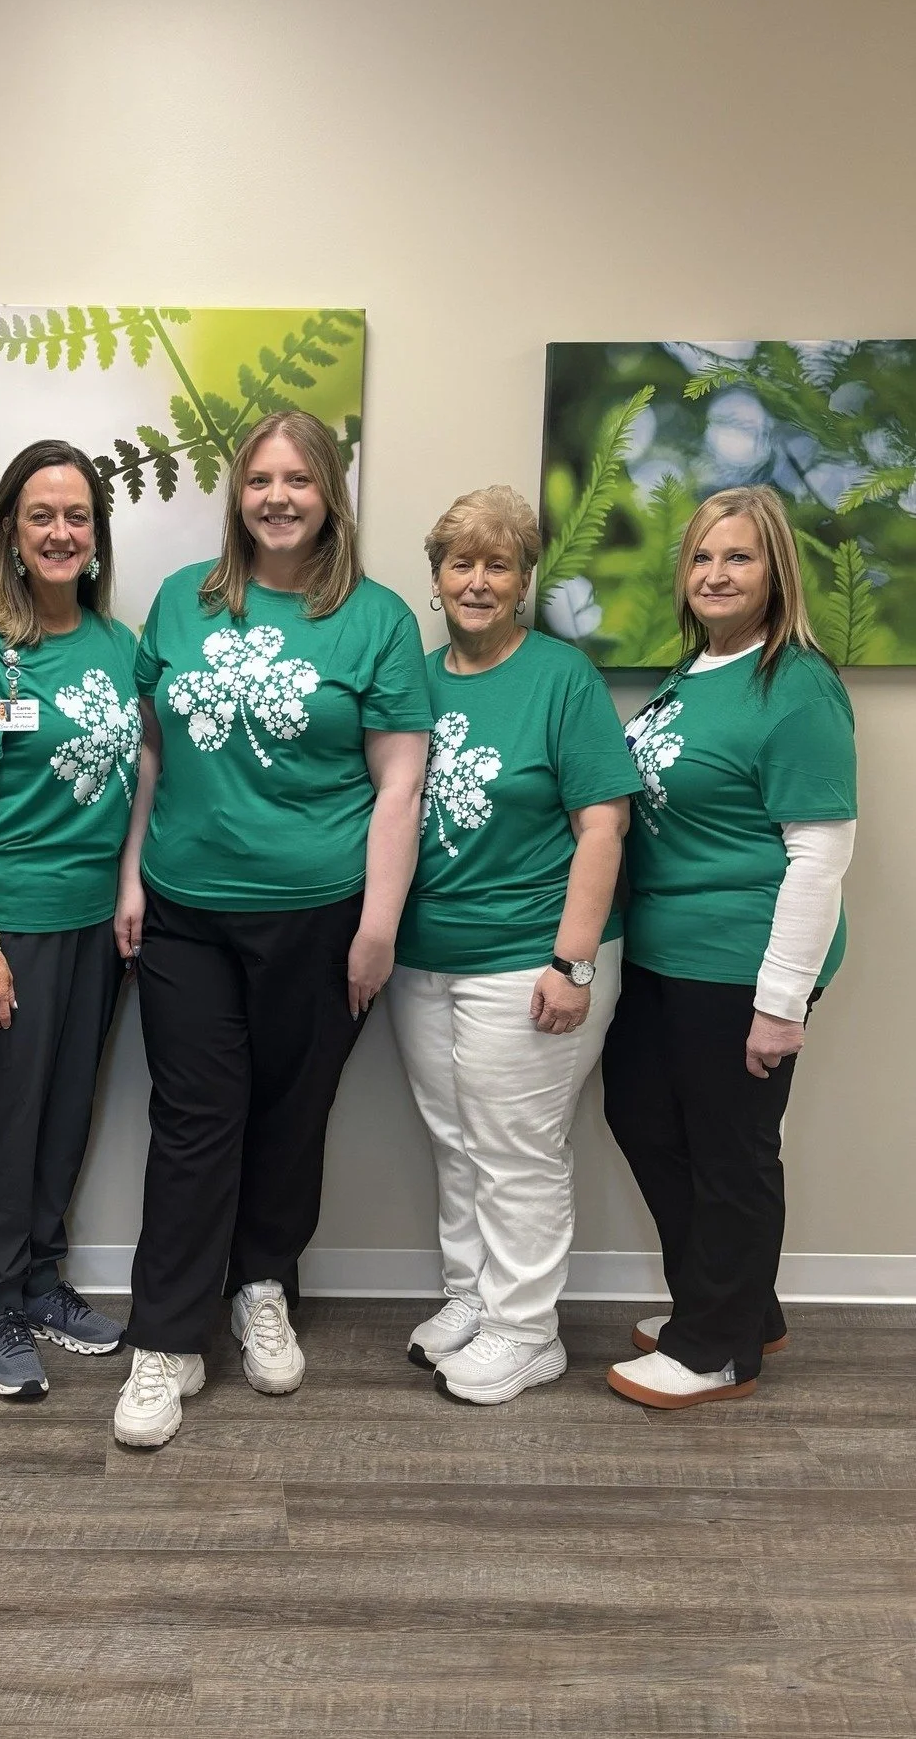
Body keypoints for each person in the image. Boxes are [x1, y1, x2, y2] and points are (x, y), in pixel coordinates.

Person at [112, 410, 432, 1448]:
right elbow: (152, 753)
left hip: (321, 915)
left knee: (292, 1114)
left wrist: (377, 925)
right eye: (259, 480)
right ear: (236, 494)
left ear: (329, 493)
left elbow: (399, 784)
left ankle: (260, 1284)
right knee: (192, 1119)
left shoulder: (376, 619)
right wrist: (130, 876)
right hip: (186, 911)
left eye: (298, 479)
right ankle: (166, 1337)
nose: (277, 497)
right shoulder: (182, 600)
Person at [603, 485, 857, 1409]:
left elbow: (819, 856)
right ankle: (739, 1306)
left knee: (729, 1153)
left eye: (738, 557)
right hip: (666, 954)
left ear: (774, 571)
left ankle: (715, 1347)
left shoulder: (796, 685)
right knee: (642, 1117)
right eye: (702, 557)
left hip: (742, 962)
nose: (715, 574)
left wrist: (780, 1002)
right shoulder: (697, 669)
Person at [386, 486, 640, 1404]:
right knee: (456, 1139)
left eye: (498, 565)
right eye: (461, 563)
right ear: (436, 577)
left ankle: (527, 1331)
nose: (478, 582)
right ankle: (473, 1296)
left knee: (515, 1149)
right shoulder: (412, 678)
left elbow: (603, 825)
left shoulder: (560, 678)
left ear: (524, 580)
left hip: (532, 956)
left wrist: (572, 963)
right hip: (424, 958)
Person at [0, 441, 138, 1398]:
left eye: (76, 517)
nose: (61, 533)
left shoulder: (119, 645)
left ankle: (45, 1281)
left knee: (64, 1113)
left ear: (96, 537)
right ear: (11, 537)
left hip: (95, 924)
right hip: (5, 924)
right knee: (4, 1120)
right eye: (41, 517)